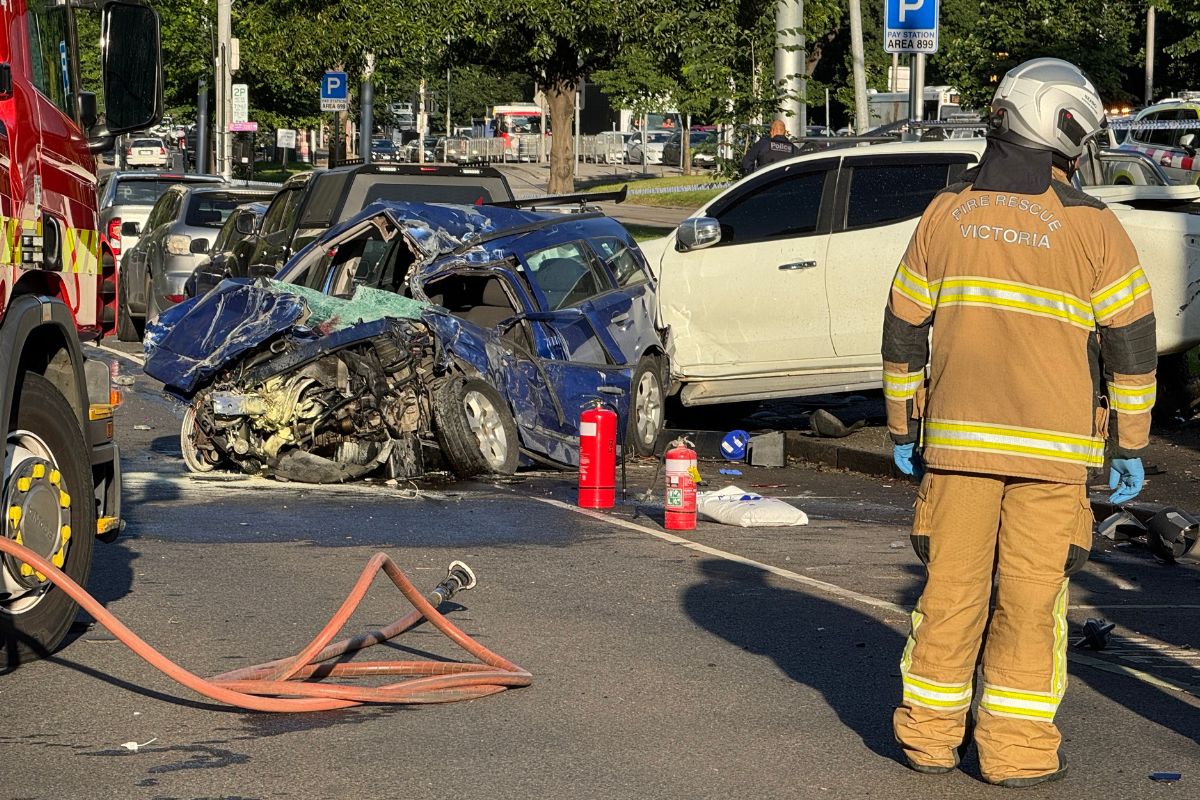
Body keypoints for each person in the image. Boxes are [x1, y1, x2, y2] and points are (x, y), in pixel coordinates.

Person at [882, 58, 1155, 788]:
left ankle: (929, 741)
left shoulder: (946, 214)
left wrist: (903, 428)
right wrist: (1130, 445)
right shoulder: (1094, 227)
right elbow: (1130, 343)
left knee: (948, 596)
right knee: (1032, 607)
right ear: (1070, 130)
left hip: (956, 448)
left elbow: (904, 330)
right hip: (1054, 459)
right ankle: (1016, 755)